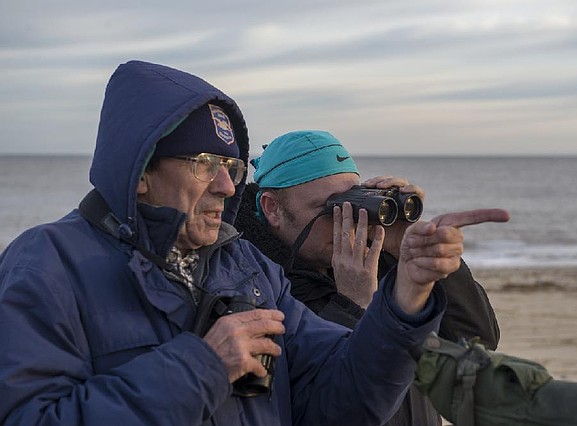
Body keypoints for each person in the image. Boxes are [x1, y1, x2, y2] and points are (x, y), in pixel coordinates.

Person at [0, 60, 500, 426]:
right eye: (204, 164)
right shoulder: (47, 265)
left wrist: (406, 295)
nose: (225, 186)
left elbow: (343, 400)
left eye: (233, 169)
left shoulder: (245, 268)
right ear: (139, 173)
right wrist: (202, 366)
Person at [234, 130, 509, 425]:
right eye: (330, 209)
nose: (348, 221)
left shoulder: (381, 261)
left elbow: (477, 340)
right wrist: (354, 304)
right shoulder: (254, 285)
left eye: (353, 202)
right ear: (272, 209)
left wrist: (412, 251)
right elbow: (323, 401)